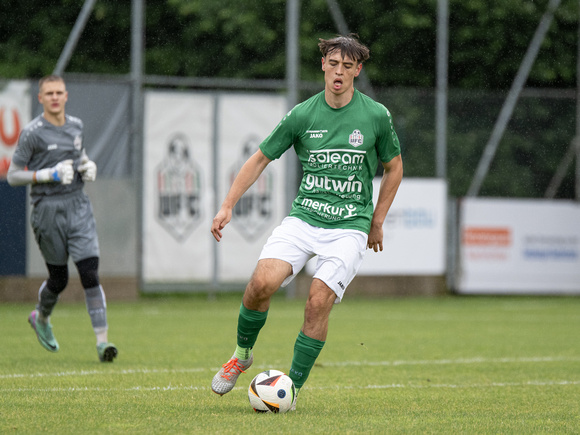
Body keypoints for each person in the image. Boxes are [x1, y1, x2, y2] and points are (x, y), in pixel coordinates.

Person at [210, 34, 403, 407]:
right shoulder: (302, 114)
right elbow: (260, 158)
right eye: (334, 64)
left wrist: (377, 220)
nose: (339, 73)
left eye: (348, 67)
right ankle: (241, 355)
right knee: (260, 283)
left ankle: (291, 389)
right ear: (323, 65)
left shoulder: (375, 115)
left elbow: (394, 166)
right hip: (304, 218)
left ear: (357, 71)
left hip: (349, 225)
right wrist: (227, 205)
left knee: (317, 302)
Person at [7, 75, 118, 363]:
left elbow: (79, 155)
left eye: (59, 92)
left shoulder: (76, 126)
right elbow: (13, 175)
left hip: (78, 205)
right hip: (47, 209)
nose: (55, 97)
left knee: (89, 273)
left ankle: (103, 343)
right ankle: (40, 316)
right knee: (59, 278)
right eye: (49, 93)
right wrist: (47, 174)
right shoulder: (32, 132)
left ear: (66, 96)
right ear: (40, 98)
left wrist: (87, 165)